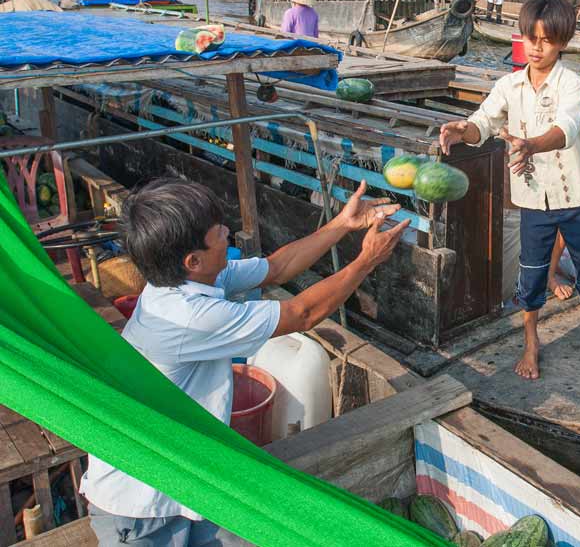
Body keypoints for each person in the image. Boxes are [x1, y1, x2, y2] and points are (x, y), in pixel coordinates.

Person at [79, 178, 408, 546]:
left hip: (185, 474)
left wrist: (342, 224)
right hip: (141, 502)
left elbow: (278, 267)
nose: (227, 233)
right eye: (219, 233)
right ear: (193, 260)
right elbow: (302, 313)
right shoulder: (189, 315)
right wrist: (366, 261)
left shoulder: (185, 280)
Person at [438, 0, 580, 380]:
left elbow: (567, 128)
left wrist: (531, 144)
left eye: (545, 40)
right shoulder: (509, 85)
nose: (536, 48)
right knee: (532, 271)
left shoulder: (572, 84)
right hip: (532, 199)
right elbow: (484, 122)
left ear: (562, 42)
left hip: (576, 194)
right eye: (531, 38)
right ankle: (531, 341)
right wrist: (463, 130)